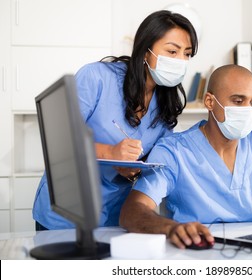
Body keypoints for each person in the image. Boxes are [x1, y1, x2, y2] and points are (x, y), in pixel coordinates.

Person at [32, 10, 198, 230]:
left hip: (113, 217)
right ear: (146, 50)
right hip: (64, 215)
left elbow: (156, 160)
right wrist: (110, 153)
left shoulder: (166, 104)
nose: (181, 61)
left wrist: (135, 169)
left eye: (186, 54)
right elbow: (57, 140)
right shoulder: (97, 78)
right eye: (172, 51)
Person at [119, 64, 252, 249]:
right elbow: (132, 211)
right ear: (210, 102)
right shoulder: (173, 150)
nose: (247, 110)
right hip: (199, 252)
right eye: (238, 101)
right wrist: (170, 228)